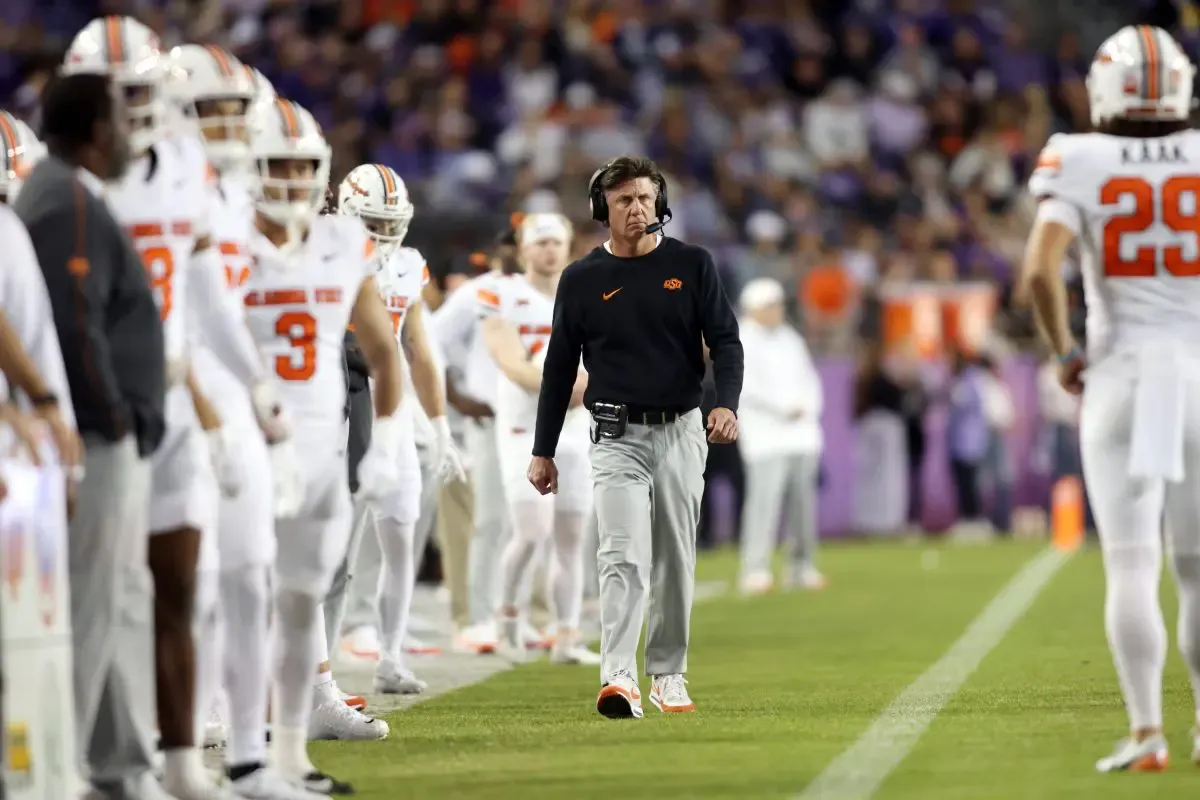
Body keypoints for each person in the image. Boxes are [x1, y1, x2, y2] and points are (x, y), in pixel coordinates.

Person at [62, 19, 293, 798]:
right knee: (105, 596)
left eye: (137, 91)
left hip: (173, 409)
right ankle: (85, 762)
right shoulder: (69, 182)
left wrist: (253, 384)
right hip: (97, 405)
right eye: (111, 94)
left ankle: (181, 761)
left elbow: (202, 292)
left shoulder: (186, 164)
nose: (127, 109)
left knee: (182, 587)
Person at [1018, 24, 1200, 773]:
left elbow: (1039, 272)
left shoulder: (1079, 156)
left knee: (1130, 563)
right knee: (1197, 569)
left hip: (1121, 375)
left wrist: (1065, 353)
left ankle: (1148, 733)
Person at [530, 156, 743, 718]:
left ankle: (668, 673)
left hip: (681, 429)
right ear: (602, 209)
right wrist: (543, 450)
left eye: (645, 197)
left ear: (660, 202)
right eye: (623, 199)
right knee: (620, 554)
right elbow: (558, 368)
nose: (636, 208)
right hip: (615, 434)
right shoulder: (581, 279)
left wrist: (726, 404)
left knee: (674, 554)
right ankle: (618, 675)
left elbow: (726, 341)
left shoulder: (692, 264)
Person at [239, 95, 402, 791]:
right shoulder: (222, 234)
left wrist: (387, 440)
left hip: (318, 443)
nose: (292, 178)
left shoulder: (342, 242)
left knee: (304, 595)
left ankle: (289, 756)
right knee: (240, 591)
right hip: (245, 439)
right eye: (278, 164)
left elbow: (385, 352)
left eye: (303, 166)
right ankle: (242, 748)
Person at [163, 43, 311, 798]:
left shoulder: (231, 197)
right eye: (208, 111)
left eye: (233, 112)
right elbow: (167, 319)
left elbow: (222, 309)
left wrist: (258, 396)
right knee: (187, 589)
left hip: (228, 403)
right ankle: (174, 752)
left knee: (251, 577)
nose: (224, 126)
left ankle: (249, 758)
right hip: (167, 402)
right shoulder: (155, 187)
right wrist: (211, 408)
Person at [14, 71, 167, 800]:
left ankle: (118, 764)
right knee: (91, 605)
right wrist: (113, 415)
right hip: (92, 438)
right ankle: (61, 766)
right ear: (100, 130)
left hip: (97, 433)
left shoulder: (66, 193)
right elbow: (76, 321)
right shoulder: (64, 200)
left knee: (119, 598)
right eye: (122, 118)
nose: (132, 133)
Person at [324, 161, 465, 698]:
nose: (384, 235)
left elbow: (418, 349)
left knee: (401, 537)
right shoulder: (326, 255)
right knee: (337, 550)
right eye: (373, 223)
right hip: (337, 407)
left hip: (393, 411)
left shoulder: (407, 265)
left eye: (391, 223)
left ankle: (391, 655)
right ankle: (322, 671)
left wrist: (439, 424)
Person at [480, 212, 601, 665]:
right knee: (532, 531)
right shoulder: (502, 293)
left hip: (576, 426)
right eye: (540, 242)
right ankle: (506, 616)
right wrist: (564, 389)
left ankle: (566, 635)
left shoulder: (587, 291)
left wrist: (589, 386)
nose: (548, 250)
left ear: (568, 247)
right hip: (523, 426)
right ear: (523, 248)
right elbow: (510, 362)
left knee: (571, 536)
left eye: (555, 242)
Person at [432, 232, 525, 654]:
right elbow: (429, 340)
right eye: (514, 244)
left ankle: (510, 616)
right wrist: (457, 397)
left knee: (524, 525)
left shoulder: (552, 289)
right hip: (488, 419)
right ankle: (477, 619)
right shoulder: (477, 292)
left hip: (533, 420)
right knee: (489, 521)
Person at [736, 277, 826, 595]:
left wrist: (808, 407)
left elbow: (810, 379)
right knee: (764, 504)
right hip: (765, 438)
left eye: (777, 305)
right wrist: (784, 408)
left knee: (803, 506)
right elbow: (747, 386)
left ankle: (801, 566)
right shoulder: (741, 340)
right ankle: (755, 568)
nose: (776, 311)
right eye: (769, 305)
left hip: (801, 435)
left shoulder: (790, 339)